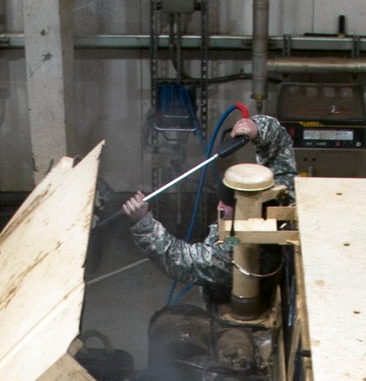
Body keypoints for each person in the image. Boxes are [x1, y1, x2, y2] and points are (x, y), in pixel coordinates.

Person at [121, 114, 297, 302]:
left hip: (243, 304)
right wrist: (256, 127)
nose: (219, 206)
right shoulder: (284, 195)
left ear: (246, 213)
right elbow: (279, 143)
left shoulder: (229, 255)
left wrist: (142, 223)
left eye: (227, 205)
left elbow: (180, 260)